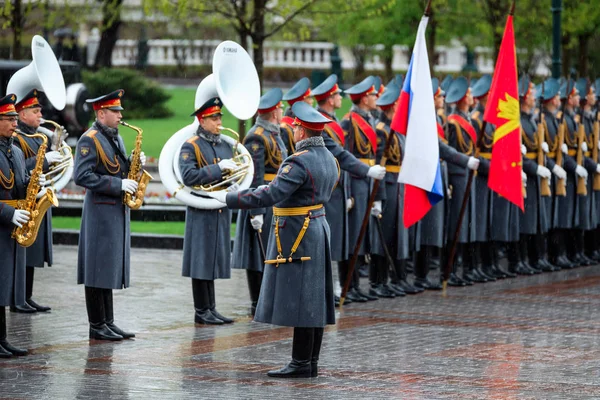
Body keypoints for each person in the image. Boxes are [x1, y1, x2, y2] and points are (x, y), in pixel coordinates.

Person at [208, 102, 339, 379]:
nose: (292, 131)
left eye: (295, 128)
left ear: (302, 132)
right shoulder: (329, 157)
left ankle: (301, 362)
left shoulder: (299, 160)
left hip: (298, 232)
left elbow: (270, 195)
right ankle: (310, 361)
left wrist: (230, 198)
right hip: (317, 227)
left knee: (305, 299)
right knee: (314, 298)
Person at [312, 74, 386, 305]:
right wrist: (365, 171)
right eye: (336, 95)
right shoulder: (324, 123)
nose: (339, 98)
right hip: (332, 188)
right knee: (334, 243)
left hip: (342, 186)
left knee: (347, 240)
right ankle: (336, 288)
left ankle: (348, 286)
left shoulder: (332, 121)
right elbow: (341, 154)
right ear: (329, 99)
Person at [74, 89, 142, 340]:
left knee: (107, 266)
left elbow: (118, 168)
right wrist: (117, 185)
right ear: (101, 113)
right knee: (96, 267)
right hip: (99, 211)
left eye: (119, 111)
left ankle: (108, 322)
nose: (119, 115)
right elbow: (81, 176)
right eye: (115, 111)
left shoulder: (116, 137)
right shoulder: (89, 139)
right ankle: (96, 324)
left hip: (115, 210)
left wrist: (135, 161)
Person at [178, 94, 235, 325]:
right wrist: (218, 169)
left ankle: (211, 308)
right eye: (214, 118)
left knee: (212, 259)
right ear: (202, 121)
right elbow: (189, 176)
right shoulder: (190, 145)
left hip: (218, 207)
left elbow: (232, 173)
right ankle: (201, 311)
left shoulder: (223, 144)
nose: (219, 121)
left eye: (219, 116)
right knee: (200, 260)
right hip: (201, 208)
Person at [231, 88, 287, 314]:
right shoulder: (257, 136)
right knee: (258, 254)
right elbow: (255, 176)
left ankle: (269, 297)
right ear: (274, 112)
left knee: (273, 251)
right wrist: (257, 212)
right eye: (280, 108)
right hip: (261, 202)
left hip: (275, 199)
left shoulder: (274, 132)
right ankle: (258, 301)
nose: (282, 111)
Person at [11, 89, 62, 313]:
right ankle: (17, 298)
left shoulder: (37, 136)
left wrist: (56, 149)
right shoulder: (17, 138)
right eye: (35, 110)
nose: (41, 114)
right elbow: (19, 168)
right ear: (22, 115)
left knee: (31, 250)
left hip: (38, 196)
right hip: (24, 200)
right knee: (22, 250)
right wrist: (44, 161)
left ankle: (27, 295)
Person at [340, 76, 382, 301]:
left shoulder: (370, 119)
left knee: (364, 234)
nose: (376, 98)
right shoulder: (348, 122)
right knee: (353, 235)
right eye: (373, 95)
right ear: (365, 98)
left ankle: (356, 286)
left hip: (368, 180)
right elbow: (344, 160)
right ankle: (350, 284)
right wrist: (347, 193)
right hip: (355, 181)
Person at [0, 94, 31, 357]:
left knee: (4, 283)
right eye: (9, 118)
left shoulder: (16, 150)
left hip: (10, 225)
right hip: (3, 220)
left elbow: (18, 185)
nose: (14, 123)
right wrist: (8, 214)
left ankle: (2, 339)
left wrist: (35, 185)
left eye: (14, 118)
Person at [280, 77, 314, 154]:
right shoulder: (285, 129)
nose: (312, 101)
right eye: (309, 98)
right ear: (301, 102)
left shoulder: (305, 122)